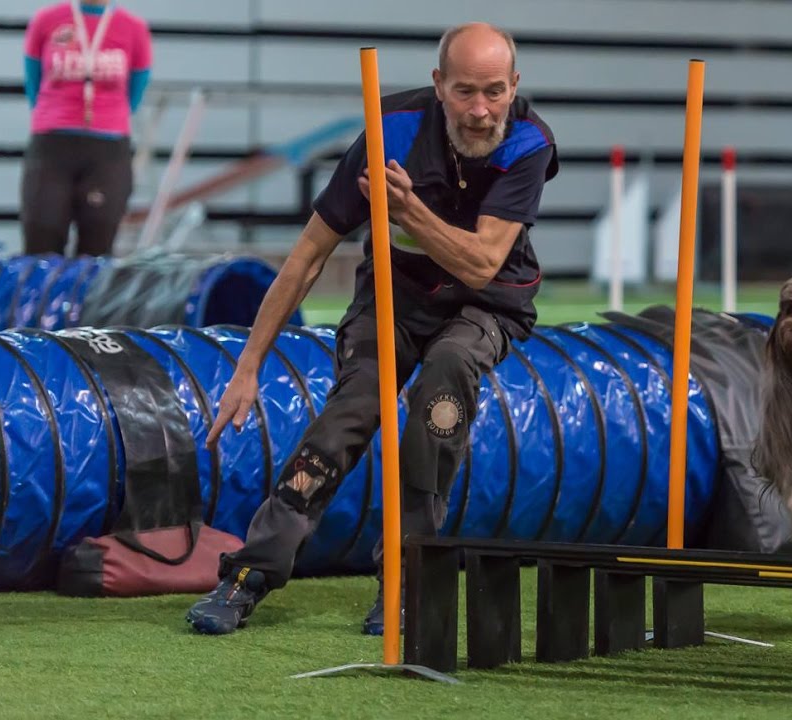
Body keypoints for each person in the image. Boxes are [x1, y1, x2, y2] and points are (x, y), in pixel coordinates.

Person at [185, 22, 558, 636]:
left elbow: (480, 262)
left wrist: (409, 210)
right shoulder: (392, 132)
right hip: (395, 298)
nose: (480, 109)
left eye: (494, 91)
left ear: (514, 85)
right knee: (344, 420)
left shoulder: (529, 143)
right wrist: (249, 364)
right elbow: (306, 257)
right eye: (465, 91)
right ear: (438, 85)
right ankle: (248, 576)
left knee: (441, 392)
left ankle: (407, 586)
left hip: (485, 306)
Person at [21, 0, 152, 257]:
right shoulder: (46, 20)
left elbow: (135, 90)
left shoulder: (133, 28)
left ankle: (87, 298)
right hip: (52, 144)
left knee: (97, 245)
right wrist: (57, 116)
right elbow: (33, 82)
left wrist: (108, 118)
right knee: (41, 239)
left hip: (107, 148)